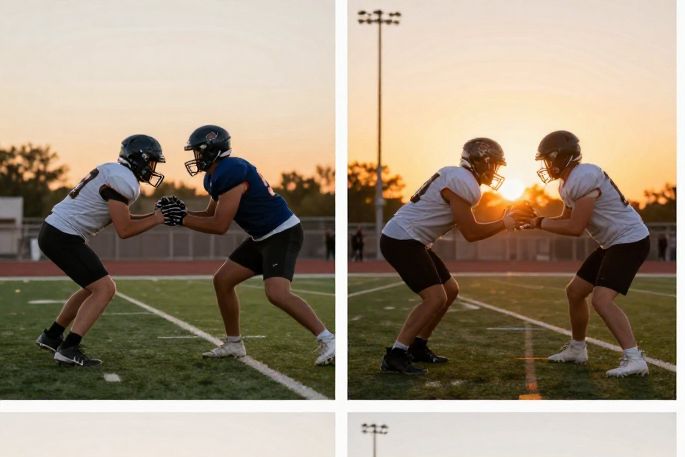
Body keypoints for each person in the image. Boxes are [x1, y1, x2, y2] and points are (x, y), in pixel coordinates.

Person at [162, 125, 335, 367]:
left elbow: (220, 225)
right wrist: (181, 213)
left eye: (198, 152)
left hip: (282, 232)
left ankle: (329, 340)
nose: (196, 158)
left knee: (277, 293)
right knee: (222, 280)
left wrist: (181, 219)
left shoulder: (231, 171)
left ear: (212, 150)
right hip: (261, 237)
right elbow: (209, 213)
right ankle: (234, 343)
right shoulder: (214, 176)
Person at [377, 138, 533, 374]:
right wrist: (505, 222)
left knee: (450, 290)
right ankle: (397, 353)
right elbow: (471, 232)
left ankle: (418, 346)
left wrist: (504, 221)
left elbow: (469, 227)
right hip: (402, 239)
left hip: (412, 239)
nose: (496, 171)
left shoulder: (457, 177)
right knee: (435, 297)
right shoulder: (462, 182)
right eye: (495, 165)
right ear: (482, 162)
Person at [34, 135, 169, 367]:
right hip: (63, 235)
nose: (152, 168)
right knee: (105, 288)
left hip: (56, 232)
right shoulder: (123, 180)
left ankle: (52, 336)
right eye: (151, 162)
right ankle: (69, 348)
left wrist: (156, 217)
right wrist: (156, 219)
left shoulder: (113, 171)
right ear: (139, 159)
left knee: (92, 287)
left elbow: (122, 217)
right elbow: (124, 229)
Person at [527, 131, 652, 377]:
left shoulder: (584, 176)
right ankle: (577, 348)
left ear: (561, 156)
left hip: (630, 240)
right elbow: (565, 219)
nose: (546, 165)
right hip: (611, 243)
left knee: (601, 300)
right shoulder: (567, 183)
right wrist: (533, 220)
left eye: (548, 159)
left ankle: (635, 358)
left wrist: (538, 222)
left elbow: (575, 228)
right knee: (575, 292)